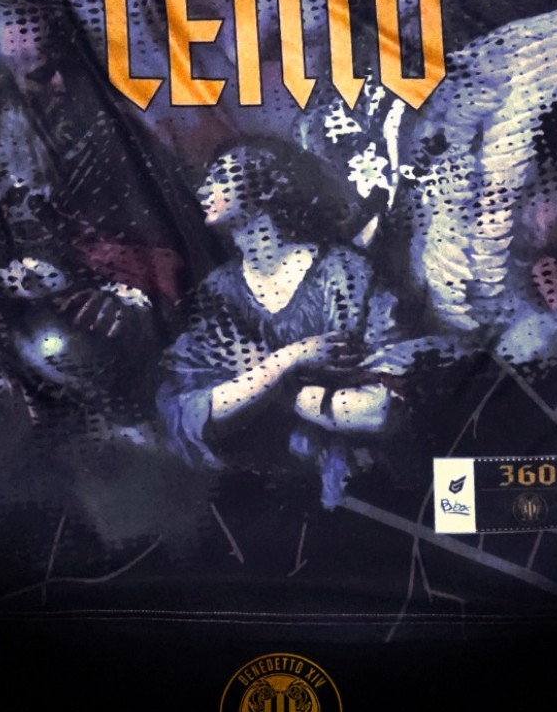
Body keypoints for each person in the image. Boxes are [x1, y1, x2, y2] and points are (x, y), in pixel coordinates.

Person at [157, 143, 399, 507]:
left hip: (360, 492)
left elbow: (379, 408)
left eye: (220, 177)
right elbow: (190, 411)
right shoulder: (219, 289)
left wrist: (260, 389)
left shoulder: (343, 273)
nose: (203, 189)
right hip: (259, 494)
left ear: (267, 188)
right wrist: (289, 361)